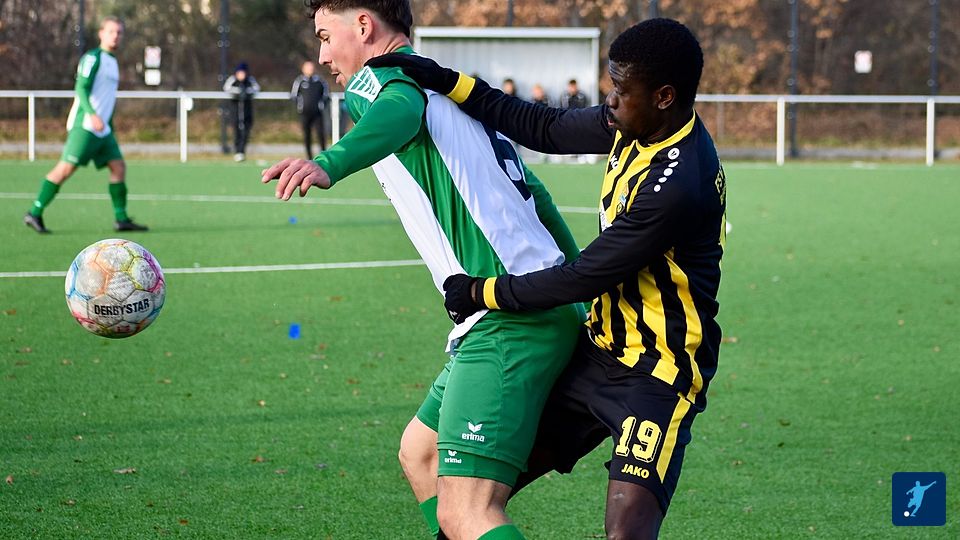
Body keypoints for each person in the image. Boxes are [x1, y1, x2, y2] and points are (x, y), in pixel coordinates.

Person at [369, 17, 725, 539]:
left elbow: (582, 277)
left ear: (664, 96)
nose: (610, 100)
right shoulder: (637, 123)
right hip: (597, 352)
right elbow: (543, 126)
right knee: (468, 496)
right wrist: (445, 79)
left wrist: (482, 291)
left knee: (626, 532)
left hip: (657, 375)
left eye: (621, 90)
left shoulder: (679, 185)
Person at [260, 2, 583, 539]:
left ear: (364, 26)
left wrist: (329, 162)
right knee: (421, 453)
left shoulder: (381, 78)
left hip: (506, 315)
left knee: (467, 512)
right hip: (533, 303)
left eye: (325, 36)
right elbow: (537, 196)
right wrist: (581, 290)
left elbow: (398, 110)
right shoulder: (453, 89)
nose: (323, 54)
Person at [23, 16, 147, 234]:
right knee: (65, 169)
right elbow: (81, 88)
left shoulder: (113, 61)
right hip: (86, 126)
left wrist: (108, 124)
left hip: (103, 130)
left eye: (119, 32)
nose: (115, 36)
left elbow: (106, 99)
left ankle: (121, 219)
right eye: (111, 31)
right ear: (101, 33)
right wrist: (92, 115)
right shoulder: (92, 58)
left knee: (118, 167)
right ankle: (35, 212)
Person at [290, 60, 329, 158]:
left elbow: (326, 95)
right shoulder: (299, 81)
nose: (310, 69)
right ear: (303, 69)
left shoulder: (320, 81)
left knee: (320, 134)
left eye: (311, 67)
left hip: (317, 113)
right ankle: (309, 157)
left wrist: (321, 105)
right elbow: (294, 95)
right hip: (305, 113)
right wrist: (300, 106)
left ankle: (324, 155)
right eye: (308, 67)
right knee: (307, 135)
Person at [223, 62, 260, 161]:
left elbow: (256, 89)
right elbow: (226, 88)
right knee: (236, 131)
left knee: (246, 132)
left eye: (243, 73)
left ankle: (242, 151)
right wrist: (238, 91)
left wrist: (246, 91)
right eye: (239, 73)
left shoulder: (250, 80)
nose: (241, 75)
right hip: (235, 112)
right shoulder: (232, 80)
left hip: (247, 112)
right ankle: (237, 151)